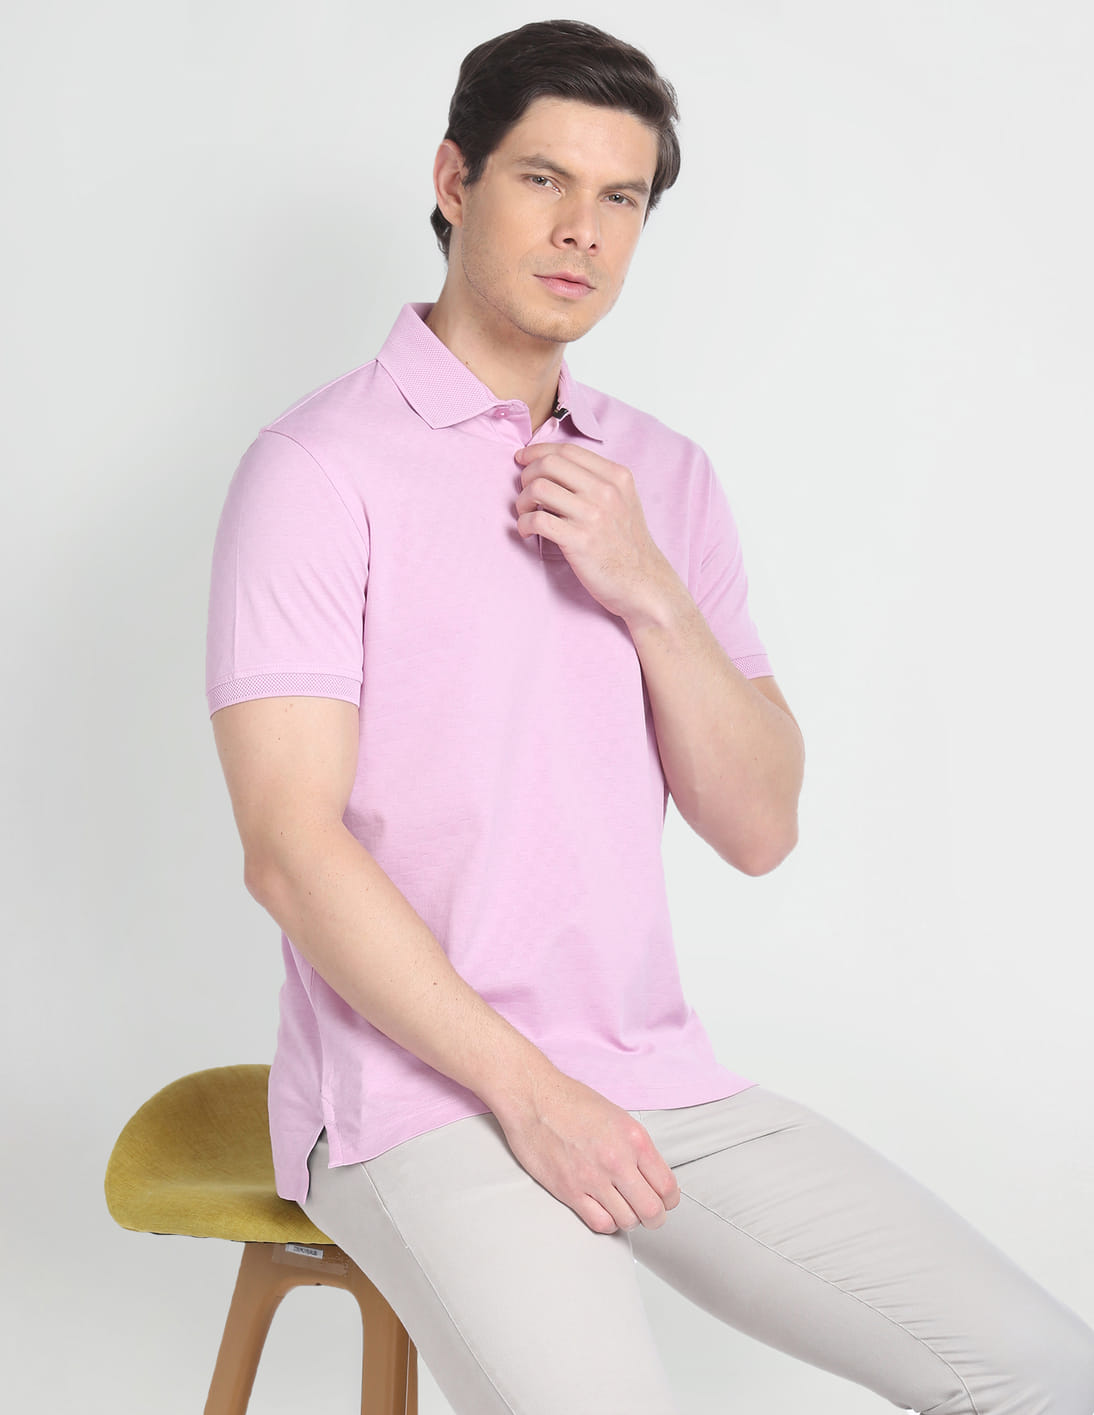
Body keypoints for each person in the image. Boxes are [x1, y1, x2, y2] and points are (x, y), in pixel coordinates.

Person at [205, 19, 1094, 1415]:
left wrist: (648, 591)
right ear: (453, 180)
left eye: (621, 197)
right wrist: (531, 1096)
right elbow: (289, 851)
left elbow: (758, 826)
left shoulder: (662, 479)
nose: (584, 231)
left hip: (655, 1077)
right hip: (416, 1095)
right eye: (543, 180)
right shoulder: (317, 469)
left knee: (1046, 1372)